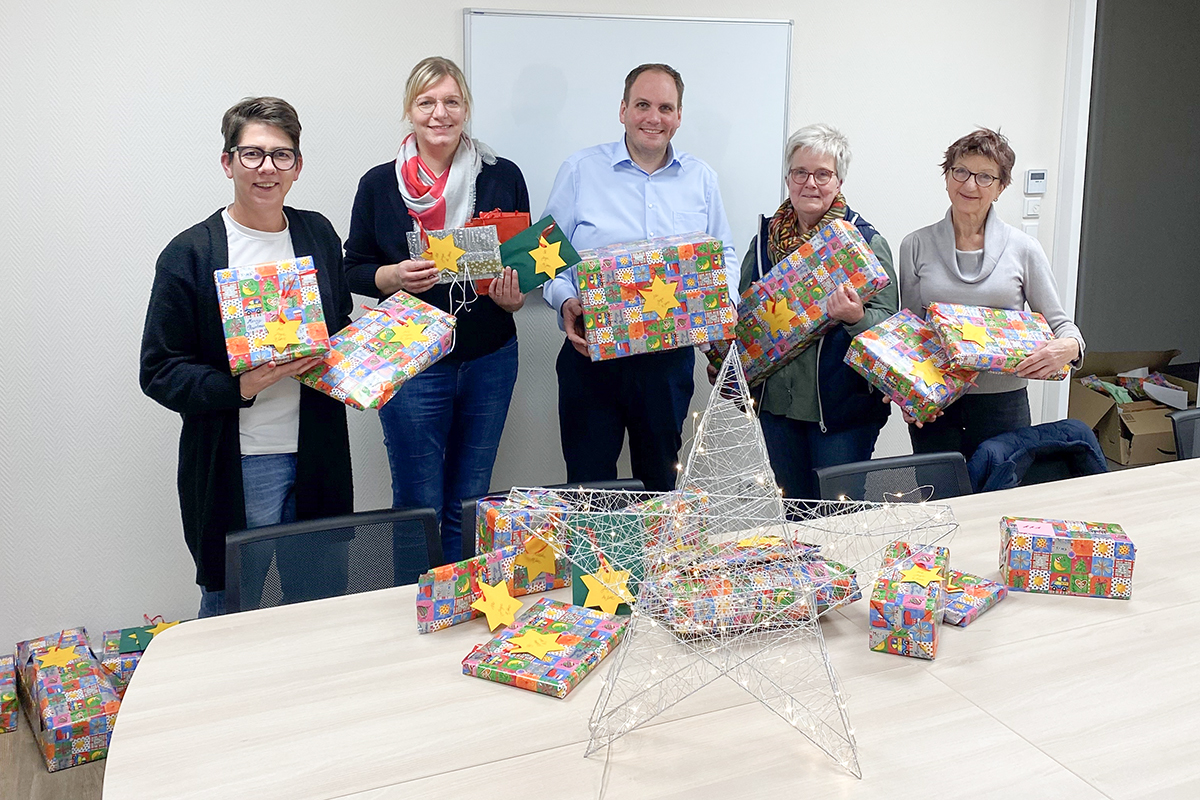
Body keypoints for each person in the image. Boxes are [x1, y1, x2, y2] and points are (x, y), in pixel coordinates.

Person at [140, 97, 354, 617]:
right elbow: (159, 369)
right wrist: (241, 386)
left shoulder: (318, 233)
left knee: (319, 602)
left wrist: (374, 349)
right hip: (241, 462)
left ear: (297, 166)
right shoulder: (191, 253)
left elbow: (338, 322)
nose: (267, 168)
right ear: (228, 162)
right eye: (252, 154)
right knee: (233, 608)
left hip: (317, 452)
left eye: (281, 155)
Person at [344, 57, 529, 563]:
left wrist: (514, 297)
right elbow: (352, 269)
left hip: (489, 357)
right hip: (411, 362)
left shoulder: (502, 175)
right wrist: (393, 277)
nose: (439, 113)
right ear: (410, 109)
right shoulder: (379, 184)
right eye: (426, 102)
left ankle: (460, 600)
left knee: (472, 502)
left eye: (451, 101)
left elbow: (522, 265)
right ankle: (417, 601)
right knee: (418, 504)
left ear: (466, 108)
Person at [541, 63, 739, 492]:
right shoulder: (579, 170)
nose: (654, 117)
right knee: (590, 491)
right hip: (591, 356)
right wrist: (564, 300)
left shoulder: (701, 178)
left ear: (679, 116)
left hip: (667, 365)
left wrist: (722, 306)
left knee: (661, 487)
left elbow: (723, 252)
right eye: (643, 105)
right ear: (623, 110)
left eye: (665, 108)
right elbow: (545, 256)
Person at [899, 128, 1085, 460]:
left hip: (1003, 405)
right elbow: (910, 332)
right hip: (937, 402)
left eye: (985, 177)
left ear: (1001, 187)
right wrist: (905, 391)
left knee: (1001, 487)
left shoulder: (1024, 249)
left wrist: (1070, 348)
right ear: (947, 177)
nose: (970, 185)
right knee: (940, 490)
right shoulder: (915, 245)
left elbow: (1061, 325)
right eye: (961, 171)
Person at [734, 124, 897, 500]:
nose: (810, 183)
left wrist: (856, 318)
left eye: (823, 174)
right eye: (800, 172)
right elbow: (746, 319)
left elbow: (890, 329)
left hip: (843, 414)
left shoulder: (864, 241)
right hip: (777, 411)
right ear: (788, 179)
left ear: (839, 182)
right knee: (793, 514)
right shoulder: (763, 243)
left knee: (838, 519)